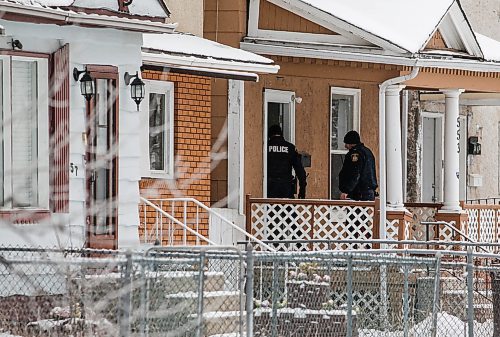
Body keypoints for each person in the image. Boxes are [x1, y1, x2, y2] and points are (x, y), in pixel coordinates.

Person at [267, 124, 307, 198]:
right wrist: (302, 190)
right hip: (286, 189)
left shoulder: (265, 147)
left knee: (269, 209)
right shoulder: (290, 148)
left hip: (269, 188)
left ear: (269, 135)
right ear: (281, 134)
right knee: (287, 209)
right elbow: (300, 171)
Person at [339, 130, 377, 201]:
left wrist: (347, 190)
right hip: (368, 192)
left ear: (351, 143)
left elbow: (355, 173)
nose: (345, 146)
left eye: (346, 143)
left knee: (355, 212)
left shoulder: (355, 154)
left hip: (358, 193)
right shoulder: (367, 152)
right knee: (365, 212)